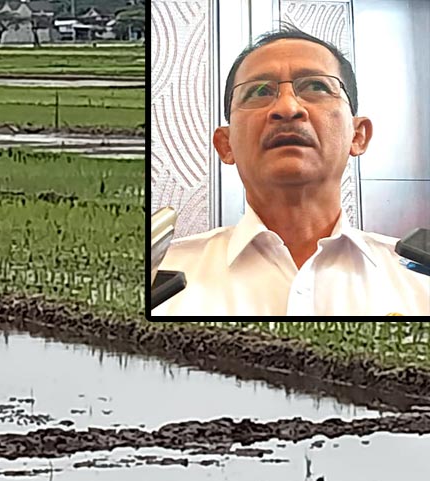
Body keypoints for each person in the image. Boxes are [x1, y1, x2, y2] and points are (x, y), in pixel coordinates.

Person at [153, 24, 429, 317]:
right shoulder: (161, 277)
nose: (287, 107)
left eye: (316, 86)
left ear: (358, 135)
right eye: (259, 91)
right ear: (225, 145)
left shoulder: (421, 279)